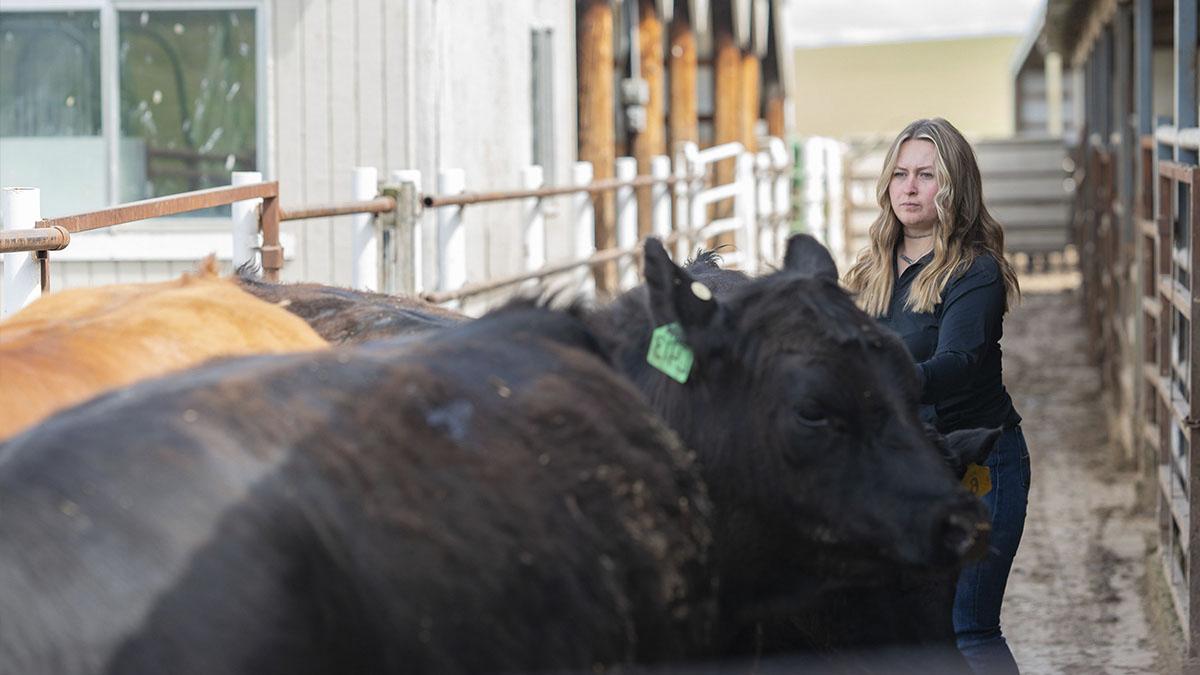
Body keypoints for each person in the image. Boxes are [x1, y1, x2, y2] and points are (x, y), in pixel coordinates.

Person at [842, 117, 1029, 675]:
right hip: (901, 465)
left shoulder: (975, 271)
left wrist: (874, 381)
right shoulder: (871, 270)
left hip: (977, 464)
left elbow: (958, 364)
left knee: (967, 629)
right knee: (907, 630)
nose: (910, 188)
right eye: (900, 174)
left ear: (955, 186)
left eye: (927, 175)